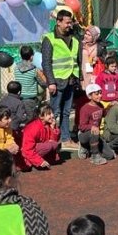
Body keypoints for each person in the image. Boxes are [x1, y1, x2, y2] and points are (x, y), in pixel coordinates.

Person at [41, 8, 82, 148]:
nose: (69, 25)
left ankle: (66, 139)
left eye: (71, 22)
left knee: (66, 111)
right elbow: (46, 62)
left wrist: (79, 78)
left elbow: (77, 59)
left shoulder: (74, 38)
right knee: (53, 112)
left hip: (71, 79)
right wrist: (50, 82)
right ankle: (49, 139)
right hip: (57, 82)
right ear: (58, 22)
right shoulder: (49, 39)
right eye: (67, 22)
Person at [77, 83, 114, 166]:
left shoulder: (100, 106)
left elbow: (104, 114)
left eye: (100, 93)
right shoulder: (85, 109)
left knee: (110, 155)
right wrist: (92, 127)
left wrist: (110, 107)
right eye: (96, 94)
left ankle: (91, 148)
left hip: (96, 135)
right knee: (94, 132)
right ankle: (93, 155)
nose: (100, 96)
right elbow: (81, 126)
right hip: (84, 134)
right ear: (90, 96)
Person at [21, 103, 62, 169]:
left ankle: (38, 160)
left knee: (54, 144)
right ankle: (29, 161)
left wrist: (53, 128)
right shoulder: (34, 127)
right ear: (41, 116)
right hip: (26, 151)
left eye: (52, 113)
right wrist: (40, 162)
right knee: (50, 145)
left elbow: (54, 140)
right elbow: (26, 149)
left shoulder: (47, 124)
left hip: (35, 148)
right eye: (49, 114)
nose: (52, 115)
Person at [13, 45, 43, 119]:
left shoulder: (16, 68)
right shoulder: (34, 70)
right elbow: (42, 83)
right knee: (32, 119)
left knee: (22, 118)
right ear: (32, 57)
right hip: (31, 99)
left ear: (21, 56)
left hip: (19, 97)